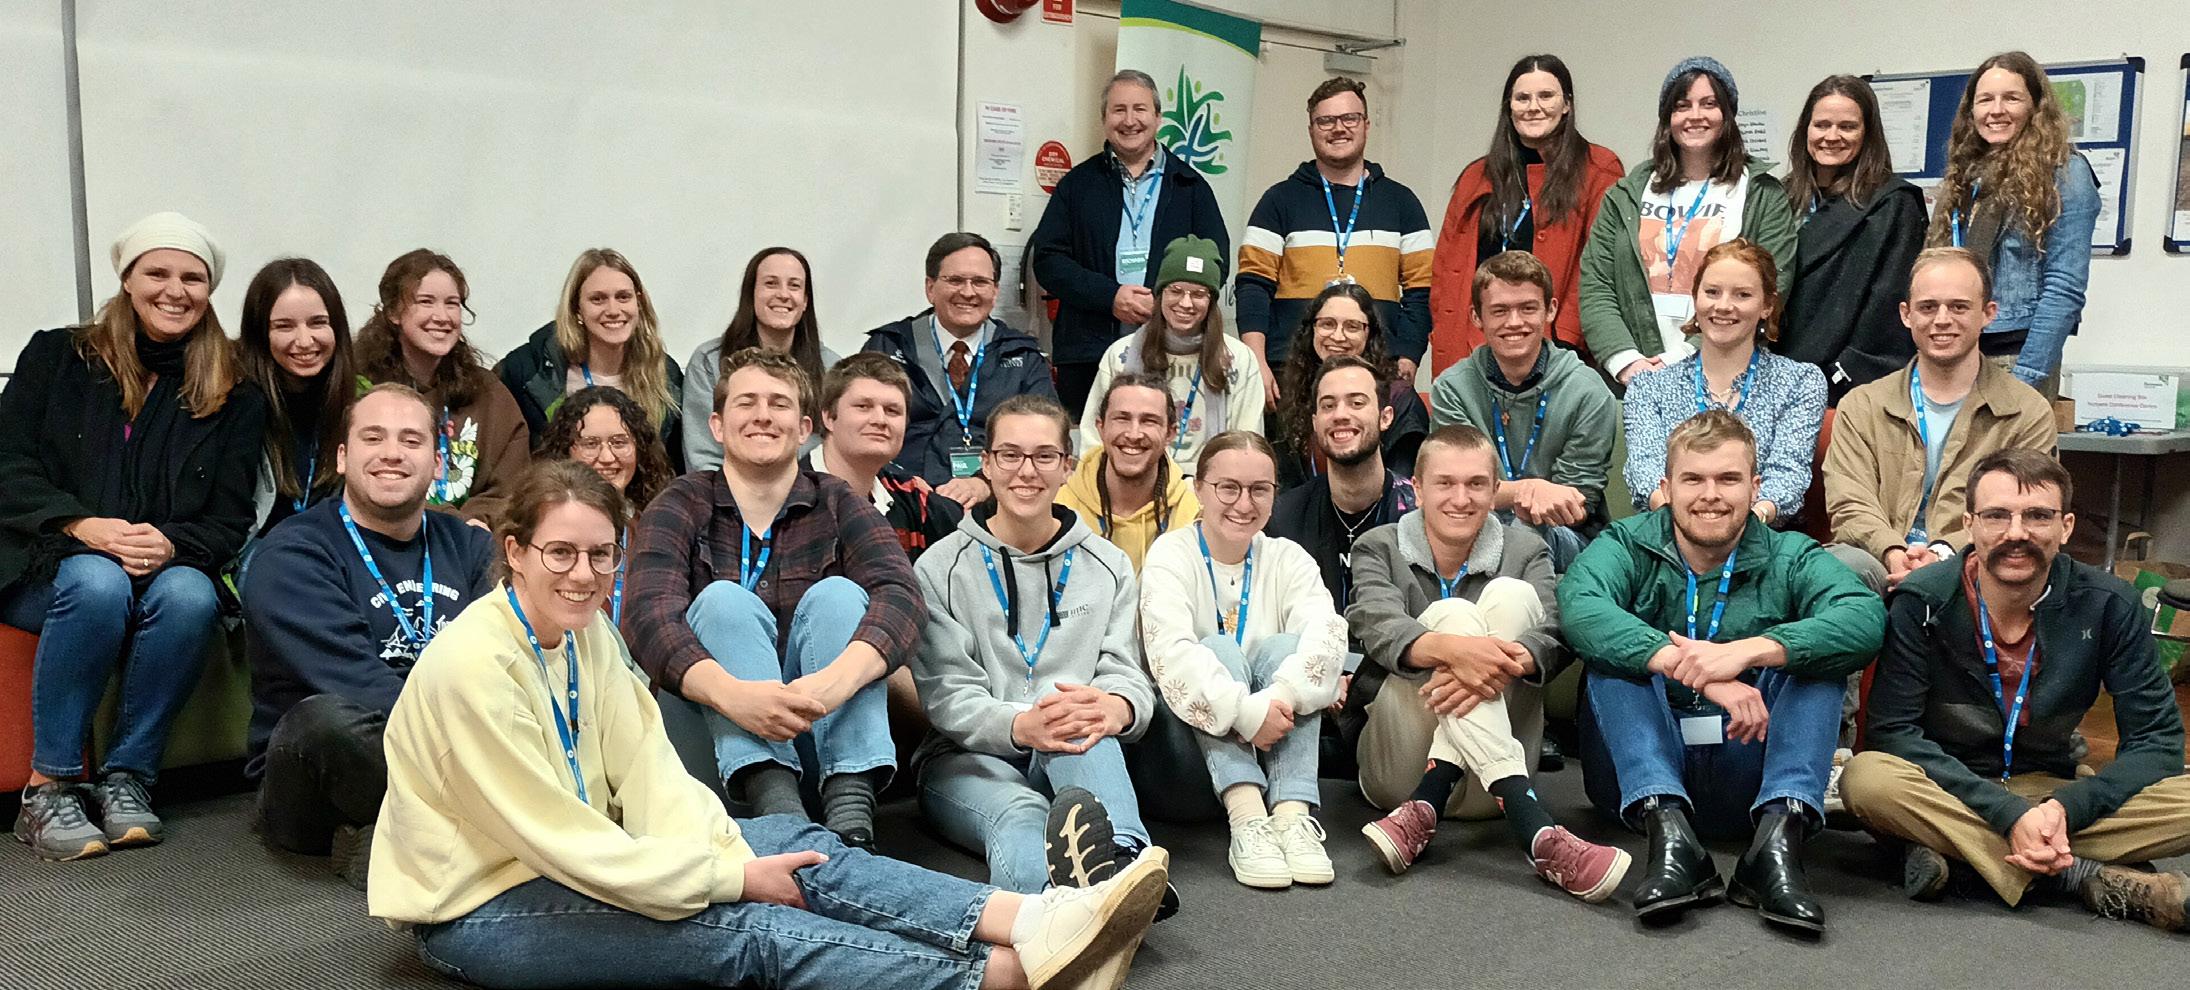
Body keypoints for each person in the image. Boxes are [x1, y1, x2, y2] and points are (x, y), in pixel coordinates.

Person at [371, 458, 1171, 990]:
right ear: (514, 551)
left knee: (802, 847)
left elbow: (651, 778)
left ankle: (1038, 919)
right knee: (746, 927)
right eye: (559, 554)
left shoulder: (587, 635)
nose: (584, 575)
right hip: (481, 908)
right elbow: (561, 841)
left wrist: (724, 849)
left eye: (602, 555)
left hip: (593, 852)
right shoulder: (473, 665)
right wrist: (726, 876)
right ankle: (1018, 975)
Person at [3, 212, 266, 860]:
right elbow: (8, 465)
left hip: (158, 567)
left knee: (192, 596)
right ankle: (48, 790)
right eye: (158, 273)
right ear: (127, 279)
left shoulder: (234, 391)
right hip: (46, 562)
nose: (174, 290)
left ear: (209, 290)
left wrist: (172, 545)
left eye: (192, 278)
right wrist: (80, 524)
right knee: (97, 581)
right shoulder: (57, 357)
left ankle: (128, 778)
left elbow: (229, 518)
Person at [1559, 412, 1884, 931]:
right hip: (1639, 772)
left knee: (1817, 663)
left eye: (1728, 479)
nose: (1710, 495)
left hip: (1750, 763)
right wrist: (1697, 670)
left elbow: (1862, 618)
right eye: (1693, 479)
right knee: (1615, 662)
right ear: (1666, 487)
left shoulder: (1790, 553)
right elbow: (1580, 607)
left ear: (1755, 488)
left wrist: (1753, 651)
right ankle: (1672, 843)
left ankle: (1776, 848)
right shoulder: (1627, 542)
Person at [1842, 448, 2190, 933]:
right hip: (1951, 786)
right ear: (1969, 524)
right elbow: (1894, 733)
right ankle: (2082, 875)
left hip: (2053, 788)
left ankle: (1960, 857)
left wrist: (2068, 808)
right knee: (1866, 780)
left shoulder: (2110, 604)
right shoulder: (1922, 601)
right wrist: (2007, 814)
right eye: (1997, 516)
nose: (2016, 533)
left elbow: (2158, 743)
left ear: (2066, 527)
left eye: (2038, 516)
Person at [624, 348, 920, 849]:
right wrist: (733, 695)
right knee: (723, 601)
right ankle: (781, 817)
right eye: (747, 403)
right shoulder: (680, 501)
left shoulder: (838, 500)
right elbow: (647, 615)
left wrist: (834, 682)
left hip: (824, 728)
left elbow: (902, 596)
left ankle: (852, 825)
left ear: (804, 428)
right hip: (715, 746)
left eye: (779, 404)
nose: (763, 415)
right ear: (717, 426)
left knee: (840, 597)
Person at [1349, 426, 1630, 901]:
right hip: (1399, 770)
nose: (1461, 499)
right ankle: (1535, 826)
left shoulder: (1526, 549)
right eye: (1445, 483)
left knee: (1511, 596)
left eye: (1476, 484)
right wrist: (1455, 650)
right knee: (1453, 616)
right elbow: (1376, 623)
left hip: (1486, 788)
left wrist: (1511, 657)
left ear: (1495, 489)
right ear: (1417, 488)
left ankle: (1431, 798)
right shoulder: (1378, 545)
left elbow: (1556, 630)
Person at [243, 384, 494, 886]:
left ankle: (404, 840)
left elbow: (503, 660)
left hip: (449, 741)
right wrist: (473, 746)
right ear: (342, 457)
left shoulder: (470, 548)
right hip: (329, 768)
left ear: (438, 464)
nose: (392, 453)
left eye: (411, 440)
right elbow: (356, 683)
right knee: (325, 721)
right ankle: (484, 830)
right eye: (373, 438)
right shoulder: (292, 554)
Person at [912, 396, 1160, 895]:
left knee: (1083, 722)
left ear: (1068, 466)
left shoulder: (1108, 564)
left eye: (1045, 456)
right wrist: (1023, 725)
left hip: (1074, 745)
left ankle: (1125, 863)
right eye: (1010, 455)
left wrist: (1117, 707)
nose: (1027, 471)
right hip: (967, 757)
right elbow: (947, 695)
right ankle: (1054, 910)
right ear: (986, 464)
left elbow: (1126, 671)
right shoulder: (939, 568)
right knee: (1022, 816)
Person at [1139, 432, 1349, 889]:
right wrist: (1247, 714)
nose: (1243, 504)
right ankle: (1247, 818)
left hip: (1275, 750)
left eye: (1259, 490)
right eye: (1228, 488)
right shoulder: (1170, 554)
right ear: (1198, 488)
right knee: (1217, 649)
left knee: (1286, 648)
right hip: (1186, 764)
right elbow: (1171, 656)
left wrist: (1280, 697)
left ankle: (1292, 817)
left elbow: (1329, 634)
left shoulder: (1287, 558)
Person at [1823, 248, 2057, 592]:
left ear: (1988, 313)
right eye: (1928, 307)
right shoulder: (1862, 406)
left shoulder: (2027, 412)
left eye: (1959, 307)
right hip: (1877, 561)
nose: (1942, 319)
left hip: (1977, 562)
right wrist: (1893, 552)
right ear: (1906, 315)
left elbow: (2026, 511)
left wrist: (1942, 555)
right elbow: (1849, 501)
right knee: (1837, 568)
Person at [1580, 56, 1798, 387]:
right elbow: (1597, 284)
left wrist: (1683, 358)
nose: (1695, 115)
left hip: (1724, 377)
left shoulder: (1762, 194)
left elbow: (1772, 284)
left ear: (1727, 115)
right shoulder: (1625, 195)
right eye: (1682, 106)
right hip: (1631, 380)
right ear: (1668, 118)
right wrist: (1626, 362)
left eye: (1709, 104)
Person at [1032, 69, 1230, 417]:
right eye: (1118, 110)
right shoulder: (1077, 185)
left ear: (1158, 117)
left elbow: (1217, 262)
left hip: (1172, 352)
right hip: (1088, 352)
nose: (1129, 120)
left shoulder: (1190, 186)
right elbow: (1048, 260)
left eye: (1139, 109)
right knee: (1092, 441)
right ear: (1104, 120)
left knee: (1163, 437)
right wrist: (1109, 296)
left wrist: (1168, 301)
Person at [1238, 76, 1434, 402]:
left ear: (1366, 125)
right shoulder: (1278, 201)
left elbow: (1422, 291)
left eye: (1349, 118)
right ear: (1311, 129)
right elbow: (1253, 286)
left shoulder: (1403, 203)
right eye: (1326, 121)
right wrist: (1255, 360)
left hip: (1377, 367)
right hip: (1290, 371)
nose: (1338, 128)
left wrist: (1409, 354)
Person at [1428, 54, 1625, 372]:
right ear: (1509, 106)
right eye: (1522, 98)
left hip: (1552, 347)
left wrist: (1565, 338)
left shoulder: (1598, 169)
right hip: (1473, 345)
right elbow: (1444, 268)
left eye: (1546, 96)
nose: (1533, 107)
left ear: (1566, 104)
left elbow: (1599, 266)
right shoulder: (1476, 175)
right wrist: (1443, 329)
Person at [1428, 250, 1618, 569]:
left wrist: (1507, 498)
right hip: (1471, 526)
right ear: (1476, 317)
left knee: (1525, 533)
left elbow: (1574, 504)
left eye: (1528, 308)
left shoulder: (1587, 391)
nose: (1514, 322)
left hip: (1564, 536)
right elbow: (1455, 486)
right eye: (1499, 311)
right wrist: (1530, 490)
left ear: (1550, 310)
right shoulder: (1452, 389)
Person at [1927, 51, 2101, 395]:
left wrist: (2027, 376)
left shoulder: (2066, 173)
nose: (1996, 110)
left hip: (2015, 355)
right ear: (1971, 110)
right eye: (1985, 100)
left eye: (2011, 98)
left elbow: (2064, 288)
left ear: (2035, 107)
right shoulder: (1966, 174)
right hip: (1956, 352)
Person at [1622, 240, 1825, 526]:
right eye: (1712, 292)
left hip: (1761, 536)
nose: (1724, 306)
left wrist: (1738, 526)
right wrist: (1692, 527)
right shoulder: (1649, 387)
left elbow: (1788, 475)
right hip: (1668, 534)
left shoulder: (1800, 383)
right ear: (1696, 297)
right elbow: (1645, 470)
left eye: (1742, 295)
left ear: (1767, 305)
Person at [863, 232, 1058, 507]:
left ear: (995, 291)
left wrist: (984, 483)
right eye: (955, 280)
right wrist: (901, 484)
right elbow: (857, 431)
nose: (968, 292)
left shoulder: (1023, 356)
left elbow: (1046, 439)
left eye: (980, 282)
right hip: (899, 501)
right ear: (930, 287)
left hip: (996, 504)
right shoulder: (888, 347)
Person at [1776, 76, 1929, 402]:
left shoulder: (1892, 203)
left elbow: (1888, 304)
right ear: (1806, 130)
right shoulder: (1781, 197)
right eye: (1822, 125)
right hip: (1776, 372)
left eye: (1847, 127)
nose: (1832, 136)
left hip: (1846, 381)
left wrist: (1842, 371)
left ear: (1867, 134)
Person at [354, 248, 530, 529]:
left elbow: (514, 489)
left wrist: (471, 526)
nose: (442, 316)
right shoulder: (361, 390)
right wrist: (453, 522)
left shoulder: (489, 394)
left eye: (452, 303)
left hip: (474, 543)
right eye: (426, 301)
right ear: (393, 312)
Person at [1075, 235, 1262, 472]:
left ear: (1211, 301)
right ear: (1160, 294)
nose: (1186, 303)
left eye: (1198, 294)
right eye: (1176, 291)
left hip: (1211, 483)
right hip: (1133, 480)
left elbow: (1247, 446)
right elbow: (1093, 442)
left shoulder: (1240, 360)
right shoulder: (1121, 355)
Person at [497, 248, 685, 470]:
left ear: (639, 303)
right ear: (577, 309)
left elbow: (673, 468)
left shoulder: (666, 375)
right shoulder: (527, 372)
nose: (613, 310)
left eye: (623, 297)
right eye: (598, 299)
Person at [1268, 357, 1419, 617]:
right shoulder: (1283, 520)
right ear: (1315, 423)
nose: (1340, 415)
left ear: (1385, 417)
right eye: (1328, 406)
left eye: (1356, 403)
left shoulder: (1418, 514)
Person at [684, 247, 842, 472]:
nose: (784, 294)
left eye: (794, 286)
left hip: (813, 489)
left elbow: (840, 452)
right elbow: (703, 459)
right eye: (771, 284)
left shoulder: (832, 369)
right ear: (751, 295)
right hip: (726, 491)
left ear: (805, 301)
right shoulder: (709, 362)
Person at [237, 258, 357, 538]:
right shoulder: (236, 405)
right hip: (256, 550)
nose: (304, 341)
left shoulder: (356, 404)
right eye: (284, 326)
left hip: (331, 549)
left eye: (318, 323)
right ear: (260, 334)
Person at [805, 353, 963, 562]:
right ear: (828, 417)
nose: (880, 420)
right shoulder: (787, 491)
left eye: (892, 410)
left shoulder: (913, 497)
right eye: (863, 407)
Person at [1272, 282, 1430, 488]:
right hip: (1309, 505)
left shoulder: (1399, 398)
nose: (1338, 336)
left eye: (1352, 326)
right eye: (1327, 324)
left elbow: (1403, 488)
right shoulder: (1295, 390)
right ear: (1312, 330)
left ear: (1369, 333)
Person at [1058, 374, 1198, 571]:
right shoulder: (1059, 509)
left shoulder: (1194, 515)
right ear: (1101, 427)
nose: (1134, 434)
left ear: (1170, 433)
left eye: (1149, 421)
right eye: (1122, 419)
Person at [540, 385, 677, 518]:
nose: (607, 458)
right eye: (591, 444)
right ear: (564, 450)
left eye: (619, 443)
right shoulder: (546, 521)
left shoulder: (659, 519)